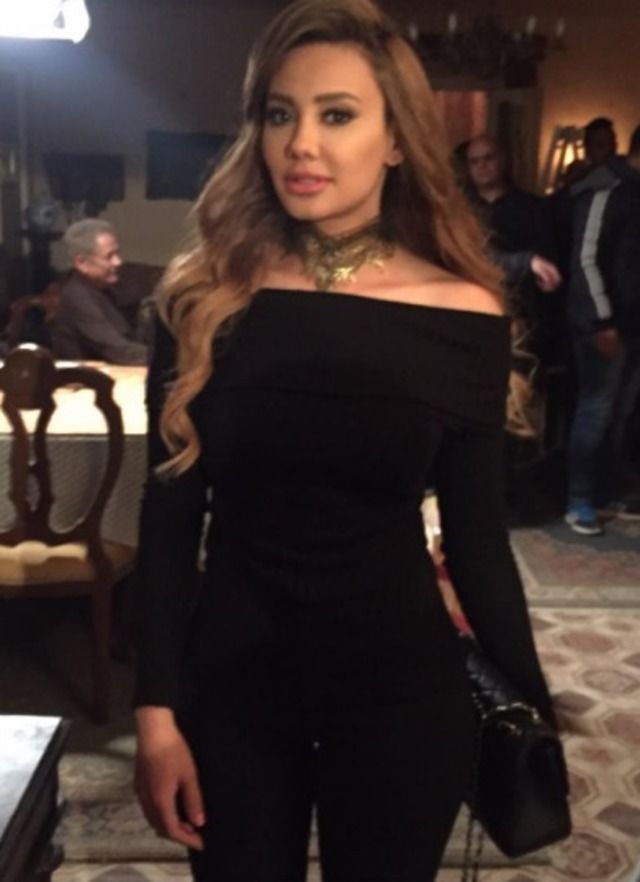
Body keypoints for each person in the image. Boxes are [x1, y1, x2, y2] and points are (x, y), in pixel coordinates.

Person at [133, 2, 558, 881]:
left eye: (336, 115)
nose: (301, 144)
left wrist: (534, 713)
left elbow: (479, 544)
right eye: (279, 114)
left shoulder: (462, 313)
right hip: (234, 690)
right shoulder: (204, 300)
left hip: (402, 694)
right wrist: (155, 711)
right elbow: (168, 521)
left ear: (396, 138)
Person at [565, 126, 640, 534]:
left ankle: (606, 489)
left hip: (634, 320)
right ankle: (578, 498)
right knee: (596, 408)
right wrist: (601, 319)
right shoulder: (605, 188)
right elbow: (586, 258)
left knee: (621, 411)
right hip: (602, 320)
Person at [51, 219, 148, 364]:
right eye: (109, 256)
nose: (118, 262)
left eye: (117, 254)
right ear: (82, 263)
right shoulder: (77, 296)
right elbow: (119, 352)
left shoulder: (104, 288)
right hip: (85, 377)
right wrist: (173, 358)